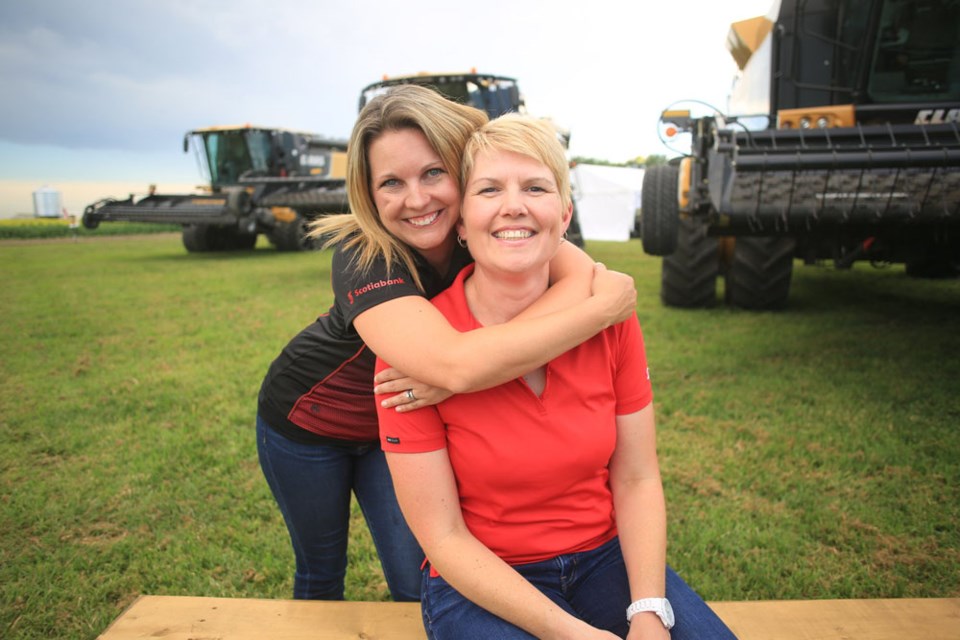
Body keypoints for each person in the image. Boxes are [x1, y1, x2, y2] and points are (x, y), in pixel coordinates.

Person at [257, 86, 639, 601]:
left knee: (414, 580)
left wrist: (593, 304)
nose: (417, 199)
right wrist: (599, 312)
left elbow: (581, 278)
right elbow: (456, 366)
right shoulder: (363, 255)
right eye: (391, 182)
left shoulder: (491, 230)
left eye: (433, 173)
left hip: (398, 422)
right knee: (321, 572)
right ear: (368, 194)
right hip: (308, 421)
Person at [377, 114, 738, 639]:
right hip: (483, 577)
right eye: (489, 189)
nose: (514, 205)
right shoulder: (417, 355)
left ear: (564, 214)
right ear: (460, 222)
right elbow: (445, 537)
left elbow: (636, 477)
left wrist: (649, 610)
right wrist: (573, 633)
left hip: (605, 560)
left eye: (536, 187)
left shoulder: (610, 318)